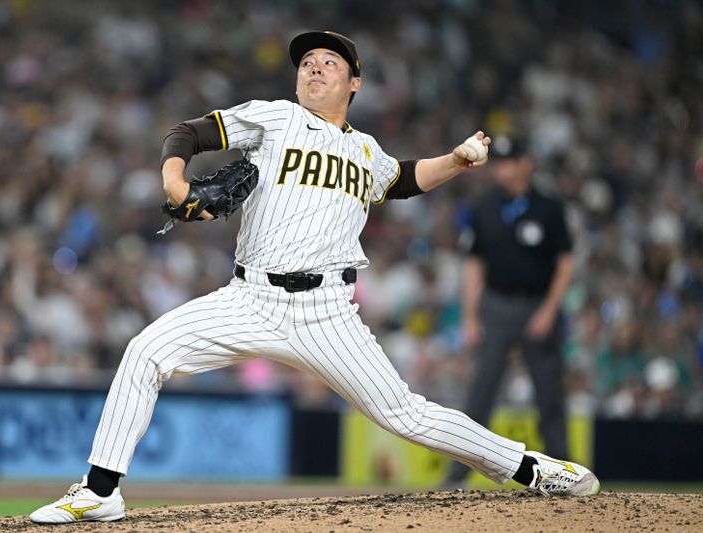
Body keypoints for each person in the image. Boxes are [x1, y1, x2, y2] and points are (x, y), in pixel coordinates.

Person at [30, 31, 599, 524]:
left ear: (355, 82)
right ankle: (101, 492)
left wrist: (453, 161)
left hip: (327, 312)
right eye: (307, 62)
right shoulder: (276, 117)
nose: (314, 67)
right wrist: (175, 182)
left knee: (405, 413)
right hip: (249, 297)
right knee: (145, 351)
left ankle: (530, 468)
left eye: (329, 62)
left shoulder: (365, 149)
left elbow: (400, 179)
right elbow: (188, 134)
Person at [442, 136, 574, 488]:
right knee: (481, 392)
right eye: (498, 162)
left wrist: (549, 309)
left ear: (525, 164)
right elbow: (474, 266)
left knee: (549, 394)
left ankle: (564, 472)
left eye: (509, 161)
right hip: (497, 307)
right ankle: (457, 476)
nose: (502, 169)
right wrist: (470, 316)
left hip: (537, 304)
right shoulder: (484, 208)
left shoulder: (548, 208)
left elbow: (564, 264)